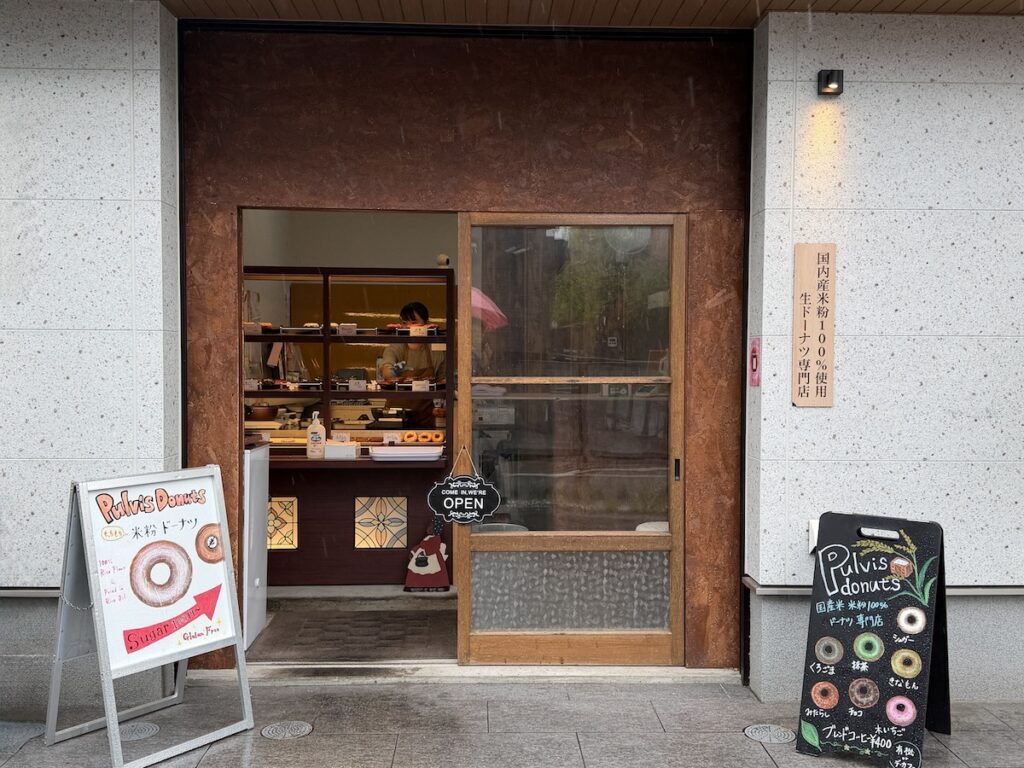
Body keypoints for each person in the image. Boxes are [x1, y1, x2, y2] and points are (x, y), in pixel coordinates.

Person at [381, 302, 445, 427]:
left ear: (426, 323)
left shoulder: (435, 351)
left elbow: (443, 381)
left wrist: (443, 406)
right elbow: (387, 371)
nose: (410, 327)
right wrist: (399, 371)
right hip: (396, 416)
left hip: (425, 416)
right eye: (405, 323)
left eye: (414, 323)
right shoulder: (396, 347)